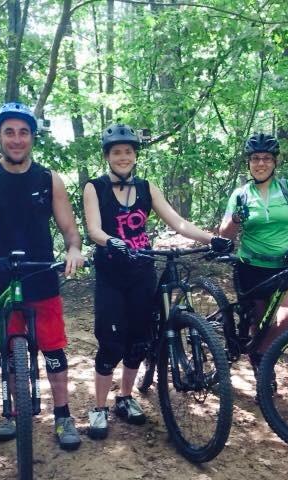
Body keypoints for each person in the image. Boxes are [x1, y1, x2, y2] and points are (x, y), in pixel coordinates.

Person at [0, 102, 86, 451]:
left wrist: (73, 250)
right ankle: (11, 412)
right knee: (11, 351)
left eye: (23, 132)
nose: (17, 139)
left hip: (41, 276)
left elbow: (71, 230)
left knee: (54, 351)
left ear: (33, 138)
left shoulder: (48, 179)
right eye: (9, 132)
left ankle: (63, 415)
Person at [83, 123, 234, 439]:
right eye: (116, 152)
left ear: (135, 155)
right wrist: (111, 240)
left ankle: (124, 398)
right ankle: (99, 407)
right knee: (111, 343)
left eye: (128, 152)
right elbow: (94, 230)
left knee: (139, 339)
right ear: (107, 156)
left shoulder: (147, 188)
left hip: (142, 271)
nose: (123, 157)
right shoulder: (94, 188)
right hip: (111, 274)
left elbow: (177, 221)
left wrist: (212, 238)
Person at [218, 132, 288, 380]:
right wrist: (235, 219)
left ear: (275, 162)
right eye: (255, 158)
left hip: (283, 267)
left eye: (266, 158)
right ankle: (262, 368)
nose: (260, 163)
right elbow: (225, 234)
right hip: (250, 267)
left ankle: (260, 356)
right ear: (249, 163)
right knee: (259, 321)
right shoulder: (240, 194)